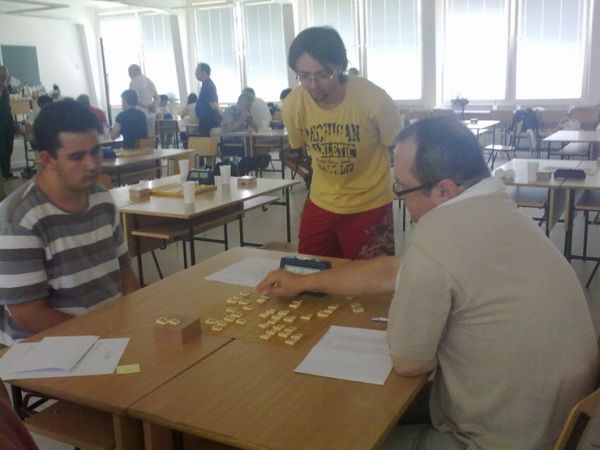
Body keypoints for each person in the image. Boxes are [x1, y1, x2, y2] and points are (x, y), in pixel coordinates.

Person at [258, 115, 598, 450]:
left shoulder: (437, 236)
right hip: (551, 423)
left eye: (402, 187)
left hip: (491, 439)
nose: (399, 198)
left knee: (330, 430)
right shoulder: (497, 209)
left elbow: (409, 363)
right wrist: (307, 281)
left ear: (444, 189)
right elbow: (392, 272)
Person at [0, 100, 139, 346]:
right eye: (77, 157)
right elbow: (28, 315)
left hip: (109, 337)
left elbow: (125, 273)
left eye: (95, 151)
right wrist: (100, 335)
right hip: (48, 350)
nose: (92, 164)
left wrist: (133, 323)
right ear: (47, 158)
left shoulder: (101, 198)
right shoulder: (18, 219)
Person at [282, 26, 402, 259]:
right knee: (309, 271)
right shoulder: (294, 104)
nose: (313, 84)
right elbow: (299, 146)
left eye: (322, 74)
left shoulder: (375, 100)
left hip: (370, 203)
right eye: (304, 76)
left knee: (370, 278)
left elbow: (397, 148)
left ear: (340, 67)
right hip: (322, 200)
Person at [220, 92, 256, 160]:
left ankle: (252, 162)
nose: (248, 108)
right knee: (251, 151)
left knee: (257, 148)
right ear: (240, 102)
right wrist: (243, 117)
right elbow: (230, 128)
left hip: (242, 142)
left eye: (249, 106)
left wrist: (251, 120)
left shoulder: (246, 113)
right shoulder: (229, 111)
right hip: (229, 144)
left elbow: (257, 129)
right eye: (247, 105)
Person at [128, 64, 159, 136]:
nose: (129, 75)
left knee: (140, 138)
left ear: (136, 71)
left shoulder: (133, 82)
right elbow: (157, 97)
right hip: (151, 114)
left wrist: (147, 106)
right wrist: (154, 106)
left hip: (139, 115)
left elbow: (134, 99)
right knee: (151, 138)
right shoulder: (149, 81)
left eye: (130, 72)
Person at [194, 62, 221, 137]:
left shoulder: (208, 85)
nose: (195, 74)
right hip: (205, 120)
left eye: (197, 71)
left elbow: (213, 105)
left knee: (207, 142)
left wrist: (222, 116)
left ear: (204, 72)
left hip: (208, 121)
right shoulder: (205, 84)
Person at [0, 66, 15, 180]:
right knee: (3, 147)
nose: (4, 76)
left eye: (5, 74)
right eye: (2, 74)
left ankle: (7, 172)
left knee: (9, 146)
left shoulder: (5, 87)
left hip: (8, 118)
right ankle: (4, 173)